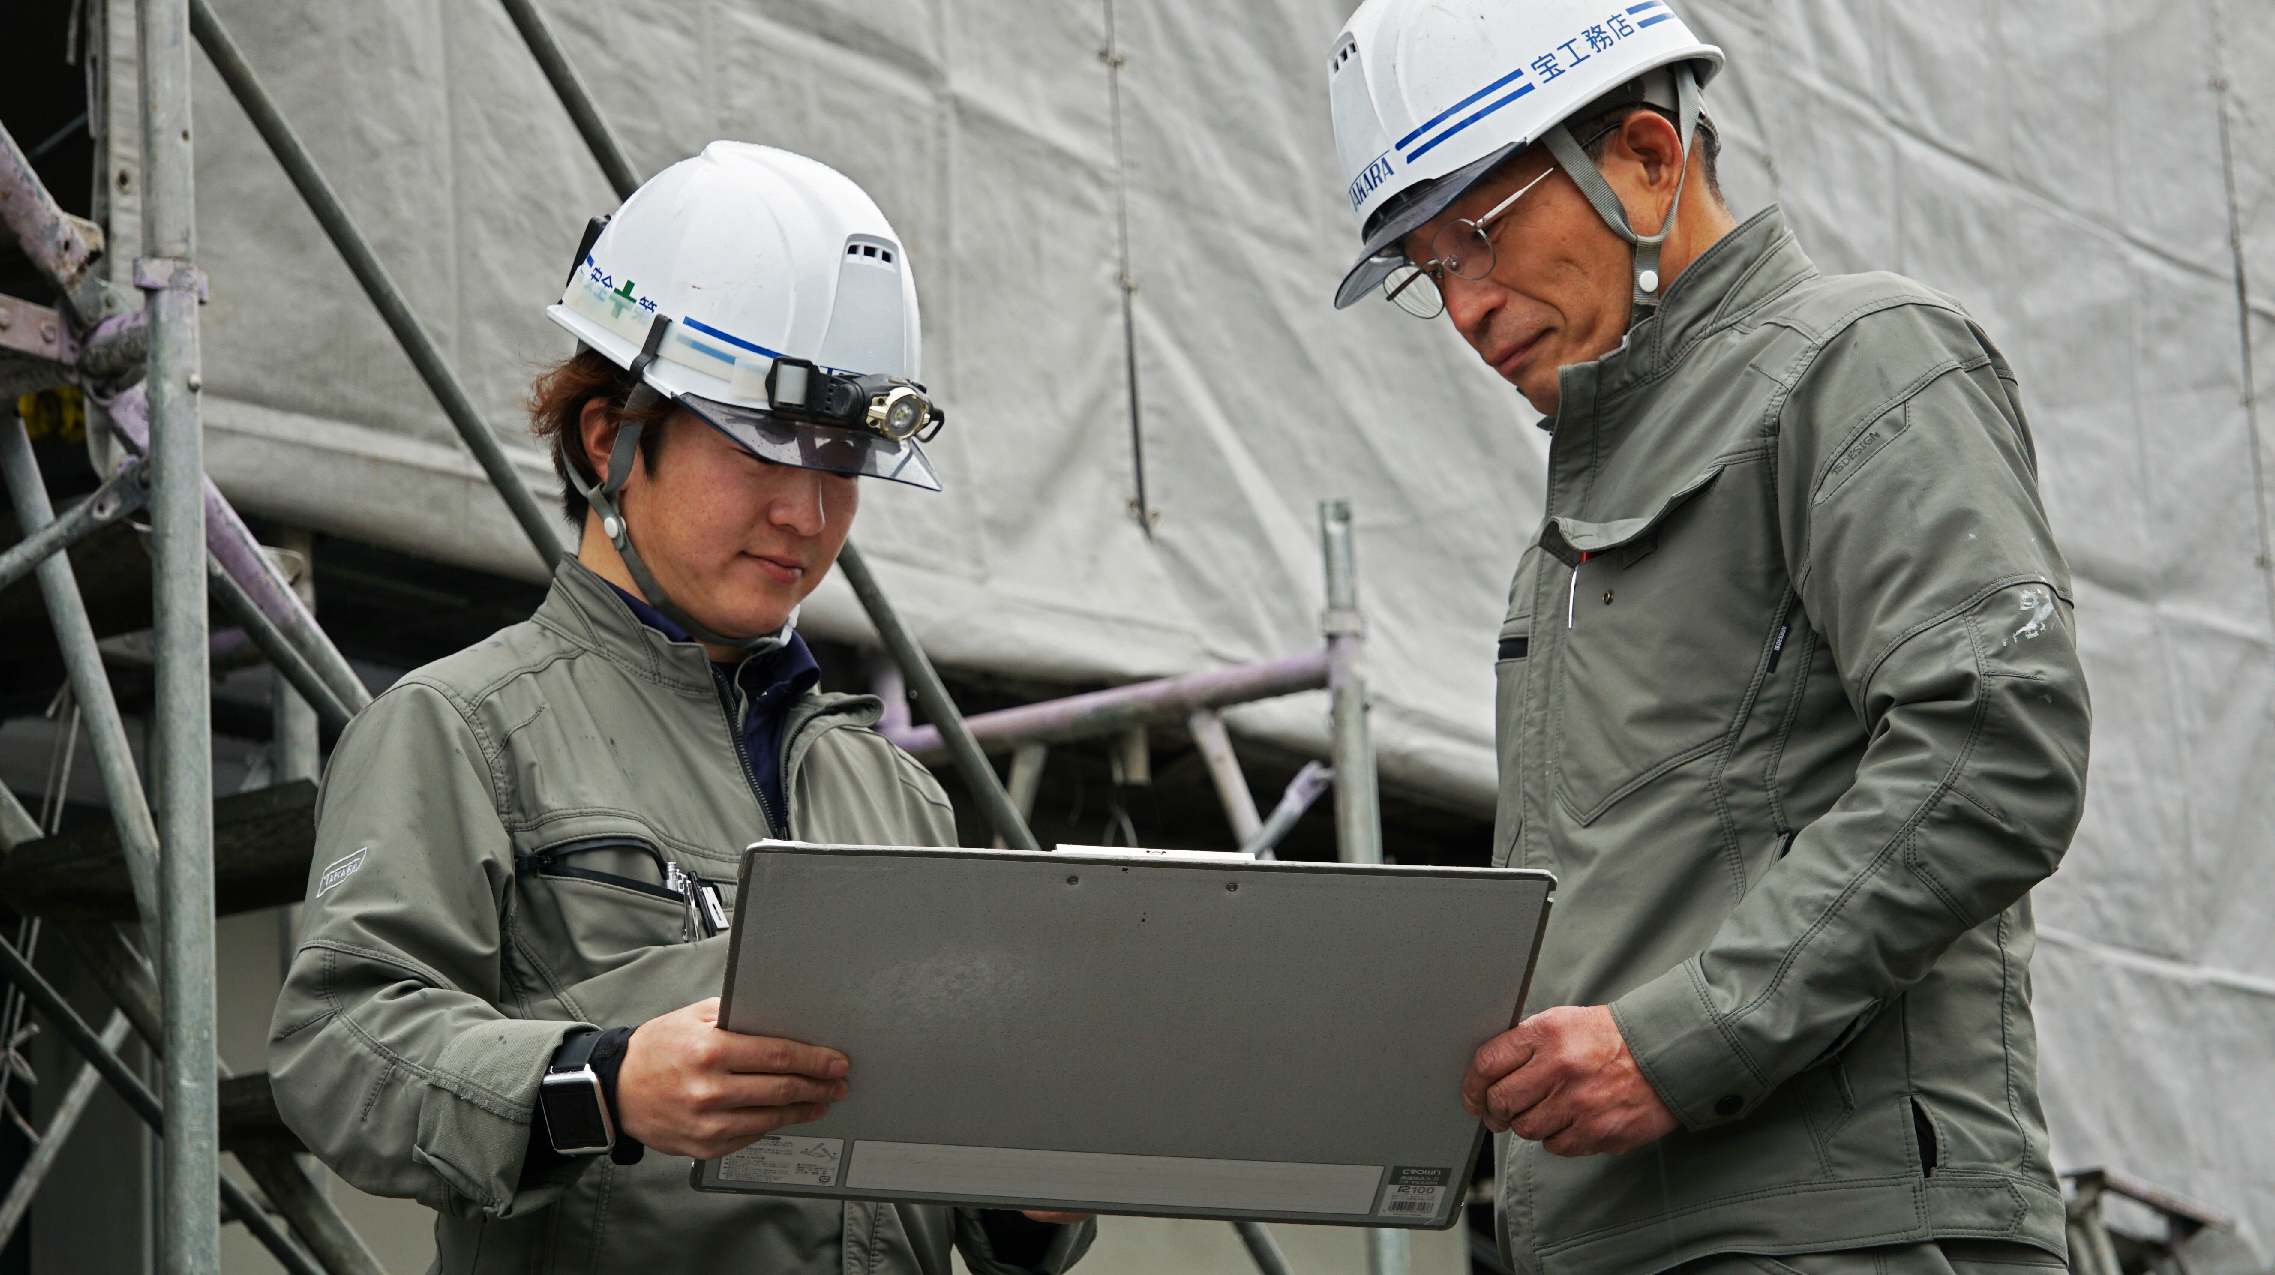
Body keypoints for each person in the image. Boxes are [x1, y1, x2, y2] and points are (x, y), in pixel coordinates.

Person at [1326, 4, 2090, 1274]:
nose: (1462, 306)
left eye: (1476, 232)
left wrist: (1685, 1038)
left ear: (1643, 154)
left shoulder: (1860, 358)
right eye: (1426, 268)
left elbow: (1995, 749)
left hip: (1830, 1235)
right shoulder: (1565, 537)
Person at [269, 142, 1094, 1275]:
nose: (807, 512)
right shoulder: (459, 726)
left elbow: (943, 1198)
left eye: (843, 460)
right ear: (609, 438)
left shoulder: (893, 790)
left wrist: (1031, 1196)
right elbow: (339, 1052)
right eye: (762, 448)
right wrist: (597, 1087)